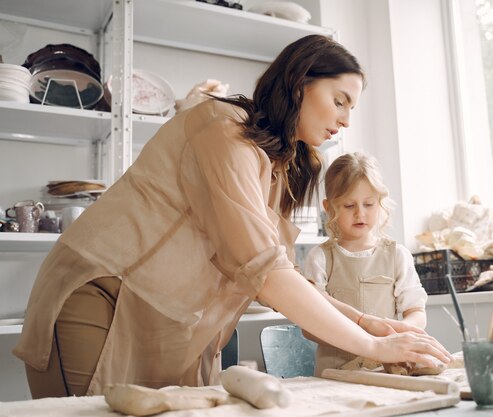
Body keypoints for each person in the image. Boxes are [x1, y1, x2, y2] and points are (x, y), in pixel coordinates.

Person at [14, 35, 452, 399]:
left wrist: (363, 321)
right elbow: (267, 274)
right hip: (101, 296)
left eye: (351, 108)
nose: (345, 119)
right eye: (340, 100)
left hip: (161, 319)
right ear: (300, 82)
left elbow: (276, 272)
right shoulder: (222, 131)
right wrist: (374, 343)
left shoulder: (279, 167)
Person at [303, 152, 429, 375]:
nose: (360, 213)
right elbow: (309, 328)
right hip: (335, 376)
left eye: (369, 204)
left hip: (387, 372)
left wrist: (399, 334)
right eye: (349, 205)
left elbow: (416, 311)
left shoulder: (397, 255)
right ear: (329, 207)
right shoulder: (320, 258)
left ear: (380, 204)